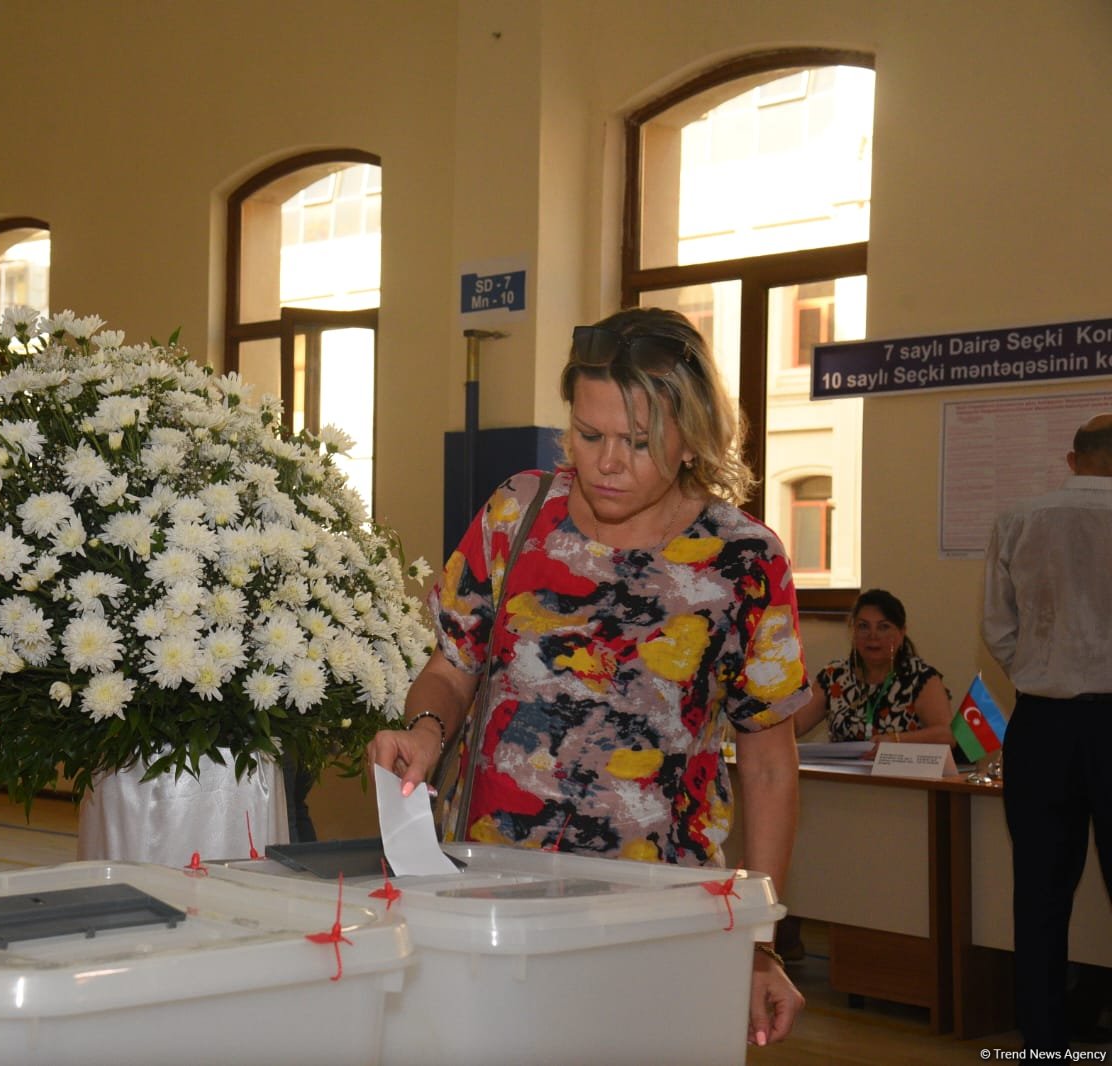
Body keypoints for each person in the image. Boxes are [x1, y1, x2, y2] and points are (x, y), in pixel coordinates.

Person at [369, 307, 808, 1046]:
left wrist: (758, 945)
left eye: (639, 442)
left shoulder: (744, 560)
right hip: (494, 895)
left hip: (660, 915)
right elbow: (452, 665)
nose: (607, 462)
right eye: (590, 433)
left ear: (692, 434)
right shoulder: (519, 513)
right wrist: (424, 730)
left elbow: (768, 765)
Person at [982, 412, 1112, 1054]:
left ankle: (1043, 1041)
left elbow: (997, 627)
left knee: (1038, 892)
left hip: (1042, 721)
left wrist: (1037, 673)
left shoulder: (1020, 519)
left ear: (1073, 459)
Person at [791, 588, 954, 750]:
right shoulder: (834, 676)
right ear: (853, 631)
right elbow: (796, 726)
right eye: (863, 626)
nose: (872, 635)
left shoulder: (920, 678)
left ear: (901, 632)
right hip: (846, 775)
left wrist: (896, 741)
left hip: (900, 773)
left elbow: (947, 735)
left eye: (883, 627)